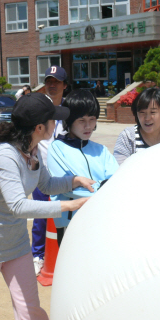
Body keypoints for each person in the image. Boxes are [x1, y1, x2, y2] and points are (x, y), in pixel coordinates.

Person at [0, 93, 95, 320]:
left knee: (30, 309)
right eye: (53, 120)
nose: (57, 124)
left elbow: (47, 185)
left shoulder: (33, 149)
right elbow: (18, 206)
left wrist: (74, 181)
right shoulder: (4, 156)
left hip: (17, 244)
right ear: (40, 127)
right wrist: (69, 205)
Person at [47, 89, 119, 246]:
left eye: (92, 119)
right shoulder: (56, 148)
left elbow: (116, 181)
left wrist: (100, 187)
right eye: (81, 120)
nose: (88, 126)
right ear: (69, 120)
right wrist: (104, 188)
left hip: (102, 223)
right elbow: (67, 187)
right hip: (70, 225)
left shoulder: (101, 150)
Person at [31, 66, 69, 275]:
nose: (52, 85)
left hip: (63, 175)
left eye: (56, 81)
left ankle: (65, 256)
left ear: (64, 85)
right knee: (39, 218)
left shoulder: (69, 111)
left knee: (66, 215)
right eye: (49, 81)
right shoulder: (38, 109)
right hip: (41, 174)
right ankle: (37, 256)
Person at [114, 87, 160, 165]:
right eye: (142, 112)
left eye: (153, 112)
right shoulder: (128, 138)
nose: (147, 118)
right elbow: (119, 171)